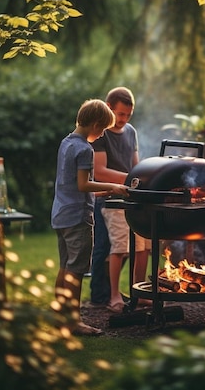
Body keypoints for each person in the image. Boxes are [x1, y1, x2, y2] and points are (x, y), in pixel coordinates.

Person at [51, 99, 129, 336]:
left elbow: (74, 183)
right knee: (75, 272)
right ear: (95, 124)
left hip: (60, 214)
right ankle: (73, 322)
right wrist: (114, 187)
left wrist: (103, 191)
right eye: (103, 129)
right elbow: (84, 184)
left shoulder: (66, 143)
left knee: (64, 267)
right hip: (77, 218)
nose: (103, 133)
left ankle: (59, 316)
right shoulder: (85, 148)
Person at [92, 87, 150, 314]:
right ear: (109, 108)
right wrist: (131, 179)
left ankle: (139, 291)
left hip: (132, 198)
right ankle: (111, 295)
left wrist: (144, 175)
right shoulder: (101, 133)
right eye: (121, 114)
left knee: (142, 247)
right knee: (116, 248)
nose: (124, 119)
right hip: (110, 198)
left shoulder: (131, 131)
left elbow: (135, 164)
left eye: (128, 115)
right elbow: (100, 172)